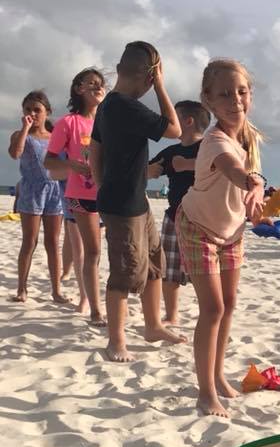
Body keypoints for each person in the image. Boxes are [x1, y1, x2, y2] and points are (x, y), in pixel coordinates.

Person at [175, 58, 265, 417]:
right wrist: (251, 183)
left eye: (241, 92)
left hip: (232, 230)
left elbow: (250, 174)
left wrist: (257, 201)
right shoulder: (213, 141)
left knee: (228, 305)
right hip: (197, 227)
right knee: (211, 309)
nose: (235, 101)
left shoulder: (250, 136)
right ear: (208, 101)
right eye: (225, 94)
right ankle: (205, 391)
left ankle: (217, 374)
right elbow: (234, 169)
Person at [89, 41, 183, 362]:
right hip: (123, 205)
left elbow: (94, 149)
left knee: (155, 264)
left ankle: (153, 325)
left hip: (133, 199)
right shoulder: (125, 106)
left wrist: (103, 186)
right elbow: (174, 129)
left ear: (118, 69)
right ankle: (116, 340)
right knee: (125, 273)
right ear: (148, 78)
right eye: (153, 79)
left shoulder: (107, 106)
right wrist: (161, 85)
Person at [45, 68, 107, 324]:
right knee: (91, 251)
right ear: (78, 89)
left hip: (107, 192)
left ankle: (98, 301)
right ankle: (94, 309)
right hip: (79, 193)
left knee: (104, 252)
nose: (98, 87)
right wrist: (71, 165)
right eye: (91, 83)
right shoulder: (68, 123)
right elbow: (49, 161)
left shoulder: (108, 121)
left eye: (101, 84)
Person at [148, 100, 210, 325]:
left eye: (174, 118)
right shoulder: (171, 151)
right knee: (170, 271)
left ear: (188, 121)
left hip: (204, 220)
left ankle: (209, 315)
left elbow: (224, 164)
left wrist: (189, 164)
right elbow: (148, 170)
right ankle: (172, 315)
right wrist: (148, 171)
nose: (169, 123)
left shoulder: (209, 146)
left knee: (205, 274)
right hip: (174, 217)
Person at [8, 90, 67, 304]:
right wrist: (25, 128)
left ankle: (56, 290)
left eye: (37, 110)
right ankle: (22, 288)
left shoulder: (55, 137)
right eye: (28, 109)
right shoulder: (20, 134)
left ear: (47, 112)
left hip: (54, 191)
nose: (32, 113)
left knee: (52, 242)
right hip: (32, 190)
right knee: (29, 242)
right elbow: (15, 153)